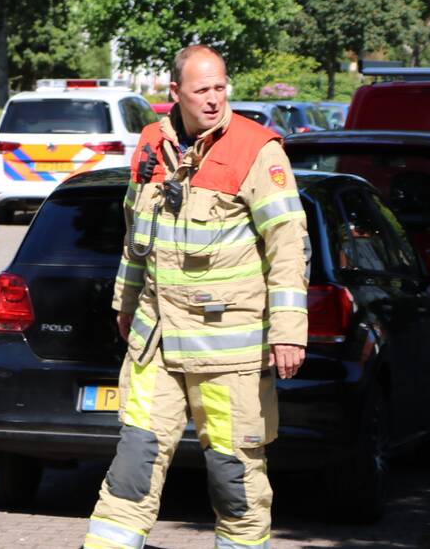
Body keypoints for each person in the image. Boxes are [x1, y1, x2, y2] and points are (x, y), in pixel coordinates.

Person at [82, 45, 309, 549]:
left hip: (227, 352)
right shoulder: (149, 146)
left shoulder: (256, 149)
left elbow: (289, 244)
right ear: (175, 93)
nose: (213, 99)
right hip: (156, 344)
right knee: (133, 467)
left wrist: (290, 332)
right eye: (202, 89)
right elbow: (135, 231)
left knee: (235, 480)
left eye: (220, 87)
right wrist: (125, 301)